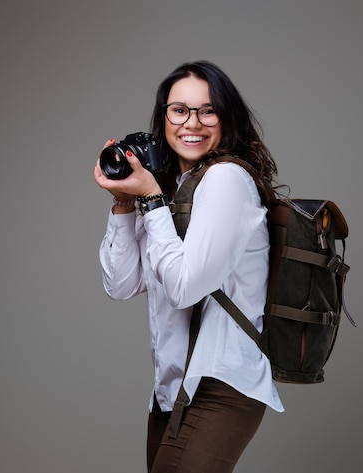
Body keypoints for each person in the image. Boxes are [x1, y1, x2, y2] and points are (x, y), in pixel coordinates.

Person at [93, 60, 283, 472]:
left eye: (207, 110)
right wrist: (126, 201)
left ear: (226, 117)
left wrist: (151, 200)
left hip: (220, 383)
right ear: (164, 117)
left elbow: (183, 287)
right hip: (172, 390)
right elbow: (121, 284)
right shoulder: (173, 188)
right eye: (179, 110)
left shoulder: (227, 179)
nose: (191, 123)